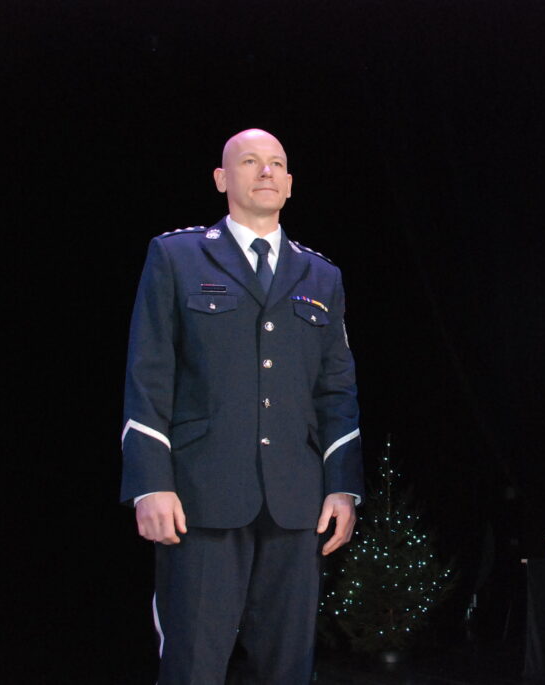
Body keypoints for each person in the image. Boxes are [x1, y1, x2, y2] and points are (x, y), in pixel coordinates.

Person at [120, 128, 364, 684]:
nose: (266, 171)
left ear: (290, 183)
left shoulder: (322, 275)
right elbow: (148, 375)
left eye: (277, 163)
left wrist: (342, 487)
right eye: (250, 161)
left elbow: (336, 390)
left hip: (296, 502)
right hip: (200, 496)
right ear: (221, 178)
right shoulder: (177, 256)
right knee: (193, 664)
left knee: (290, 667)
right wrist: (150, 483)